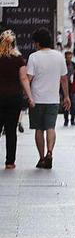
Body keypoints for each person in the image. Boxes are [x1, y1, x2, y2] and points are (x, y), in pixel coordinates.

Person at [26, 28, 71, 169]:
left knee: (39, 129)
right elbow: (64, 79)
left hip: (37, 99)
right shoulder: (59, 56)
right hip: (53, 99)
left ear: (38, 43)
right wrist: (66, 96)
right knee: (51, 127)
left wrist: (27, 94)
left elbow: (28, 78)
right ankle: (50, 152)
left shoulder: (34, 57)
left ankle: (41, 158)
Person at [0, 31, 31, 169]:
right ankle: (10, 162)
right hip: (14, 98)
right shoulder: (19, 59)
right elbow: (23, 79)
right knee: (11, 130)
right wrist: (30, 96)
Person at [62, 51, 75, 127]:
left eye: (70, 57)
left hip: (72, 87)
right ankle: (66, 120)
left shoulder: (74, 65)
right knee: (65, 104)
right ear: (65, 57)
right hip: (64, 87)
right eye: (67, 57)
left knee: (74, 104)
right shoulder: (62, 65)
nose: (69, 59)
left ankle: (72, 119)